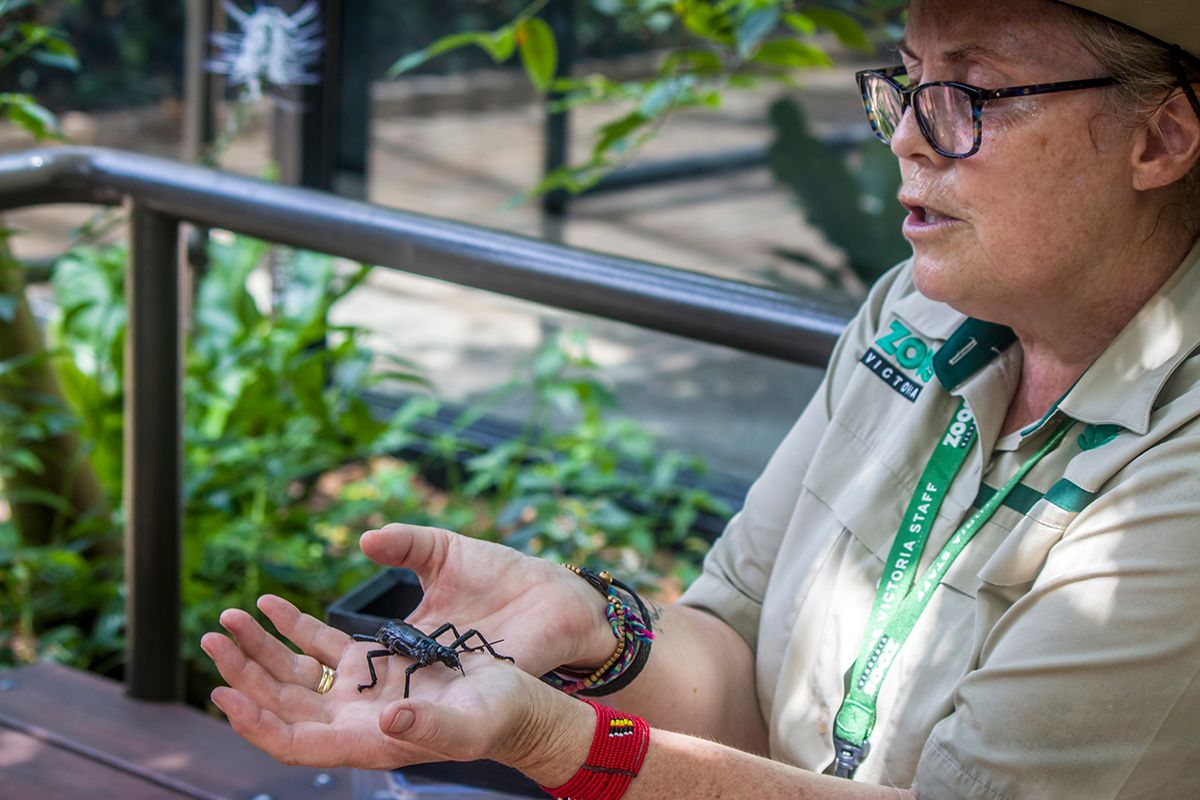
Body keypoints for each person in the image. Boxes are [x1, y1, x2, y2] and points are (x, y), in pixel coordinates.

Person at [201, 1, 1200, 797]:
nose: (904, 134)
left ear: (1159, 139)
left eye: (972, 92)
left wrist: (560, 739)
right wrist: (593, 621)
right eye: (905, 82)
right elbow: (736, 651)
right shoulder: (921, 313)